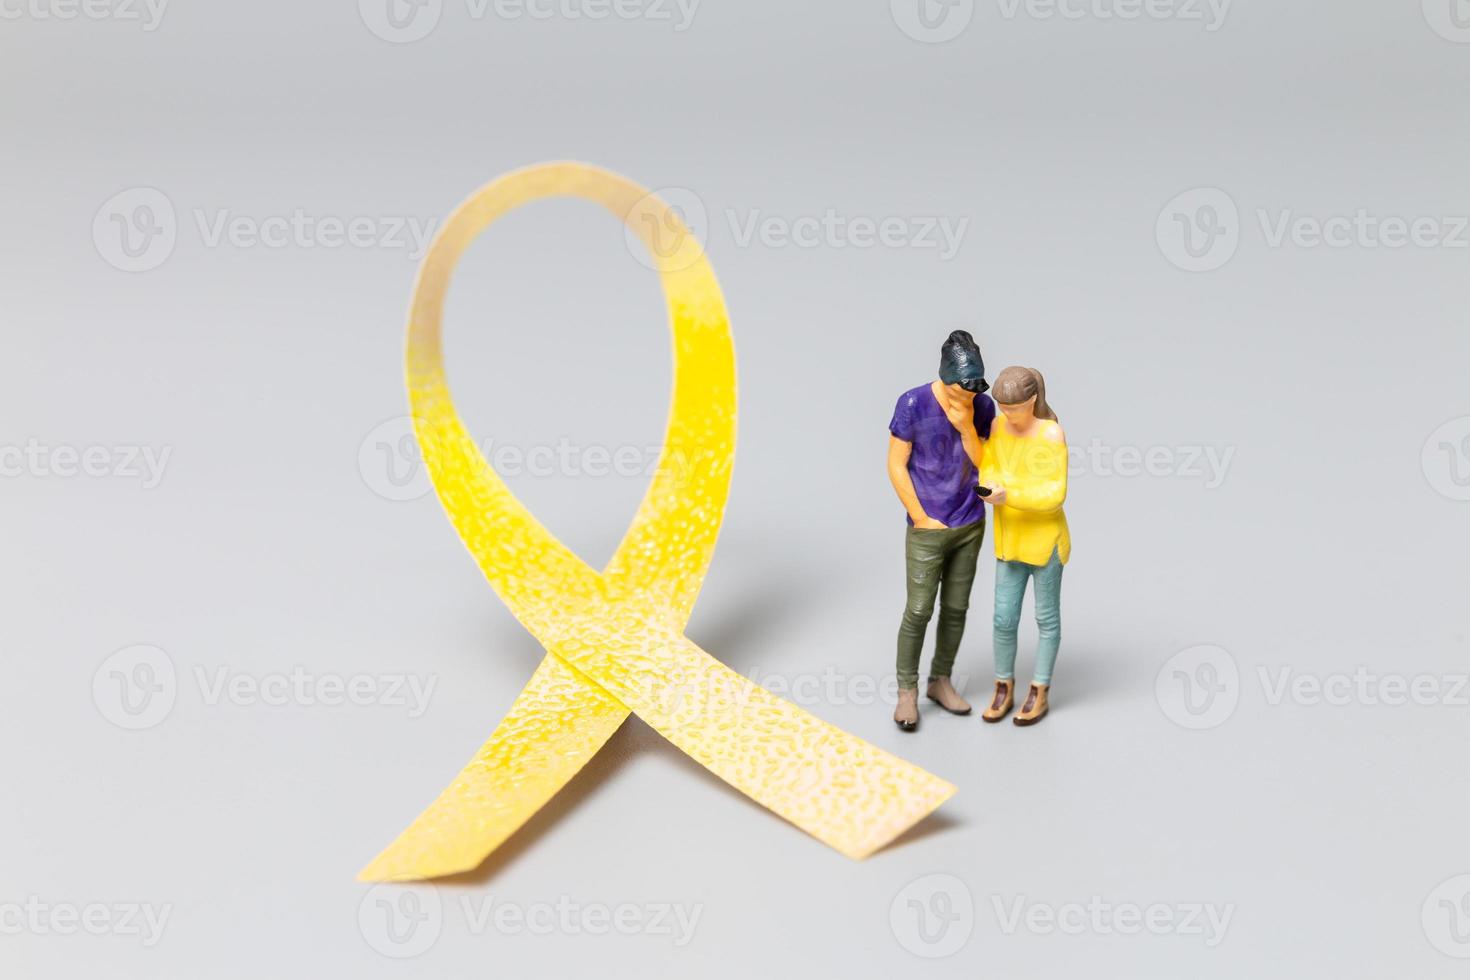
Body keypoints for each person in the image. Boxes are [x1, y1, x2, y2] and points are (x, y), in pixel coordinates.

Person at [886, 331, 996, 731]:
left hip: (969, 521)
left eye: (972, 393)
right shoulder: (913, 403)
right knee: (918, 610)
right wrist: (919, 515)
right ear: (945, 378)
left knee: (956, 608)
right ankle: (907, 692)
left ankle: (941, 681)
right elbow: (897, 464)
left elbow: (987, 464)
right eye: (957, 393)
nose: (964, 400)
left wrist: (966, 427)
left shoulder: (981, 407)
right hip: (928, 525)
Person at [976, 366, 1070, 726]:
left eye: (1013, 407)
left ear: (1032, 400)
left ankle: (1039, 688)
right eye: (1001, 406)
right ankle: (1003, 684)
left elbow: (1054, 494)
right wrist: (988, 486)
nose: (1006, 414)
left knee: (1045, 618)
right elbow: (988, 464)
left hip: (1045, 542)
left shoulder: (1051, 434)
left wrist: (1008, 495)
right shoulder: (999, 428)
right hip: (1009, 541)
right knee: (1003, 619)